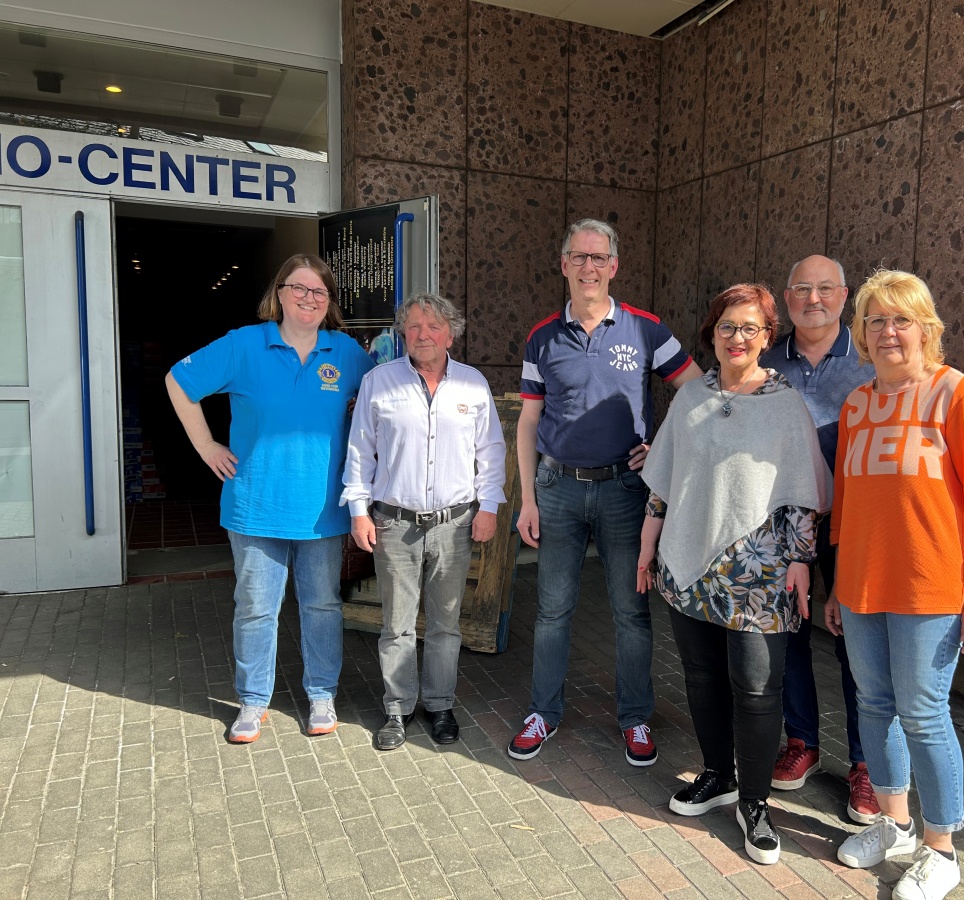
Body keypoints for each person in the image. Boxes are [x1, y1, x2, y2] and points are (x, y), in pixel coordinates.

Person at [829, 270, 964, 900]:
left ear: (926, 329)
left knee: (924, 714)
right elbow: (847, 505)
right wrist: (835, 586)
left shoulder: (956, 395)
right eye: (874, 321)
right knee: (875, 707)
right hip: (860, 585)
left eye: (900, 319)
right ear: (861, 334)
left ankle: (942, 849)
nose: (887, 332)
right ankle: (894, 825)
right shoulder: (855, 405)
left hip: (930, 588)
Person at [637, 283, 830, 865]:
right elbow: (665, 482)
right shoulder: (691, 397)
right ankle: (717, 775)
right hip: (688, 563)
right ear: (712, 334)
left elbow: (802, 493)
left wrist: (801, 560)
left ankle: (755, 803)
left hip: (760, 572)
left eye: (750, 328)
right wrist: (649, 546)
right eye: (727, 326)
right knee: (700, 676)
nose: (738, 337)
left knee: (755, 687)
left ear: (768, 338)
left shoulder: (785, 404)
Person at [510, 218, 701, 765]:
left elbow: (695, 392)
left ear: (614, 267)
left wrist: (659, 448)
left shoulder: (646, 329)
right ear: (564, 265)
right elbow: (528, 421)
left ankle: (636, 718)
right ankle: (543, 713)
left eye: (599, 258)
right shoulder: (542, 336)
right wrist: (527, 498)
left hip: (623, 490)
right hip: (558, 489)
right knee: (552, 611)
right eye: (579, 257)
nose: (589, 267)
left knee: (630, 612)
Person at [166, 253, 374, 743]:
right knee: (257, 606)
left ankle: (321, 693)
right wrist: (206, 445)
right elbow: (179, 380)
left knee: (321, 605)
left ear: (330, 303)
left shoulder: (344, 353)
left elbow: (386, 395)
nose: (308, 298)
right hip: (255, 505)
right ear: (279, 294)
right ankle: (253, 701)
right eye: (298, 288)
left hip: (323, 509)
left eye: (319, 292)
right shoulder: (245, 345)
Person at [341, 292, 506, 750]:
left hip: (454, 524)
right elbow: (360, 453)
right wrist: (358, 510)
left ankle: (439, 705)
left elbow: (490, 451)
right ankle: (397, 709)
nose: (423, 334)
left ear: (451, 333)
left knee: (445, 624)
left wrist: (489, 505)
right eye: (413, 326)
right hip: (394, 523)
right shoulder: (379, 382)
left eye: (433, 326)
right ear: (403, 334)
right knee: (395, 624)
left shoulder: (472, 384)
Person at [761, 255, 880, 823]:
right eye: (802, 289)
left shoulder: (871, 359)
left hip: (855, 522)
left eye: (825, 289)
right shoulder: (764, 360)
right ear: (787, 299)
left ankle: (865, 765)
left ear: (844, 294)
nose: (814, 299)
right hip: (783, 522)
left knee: (854, 640)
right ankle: (801, 742)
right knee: (789, 633)